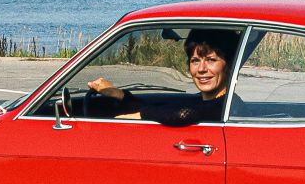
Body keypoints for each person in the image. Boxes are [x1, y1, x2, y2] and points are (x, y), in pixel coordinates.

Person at [87, 29, 240, 126]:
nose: (201, 69)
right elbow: (161, 110)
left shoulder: (225, 106)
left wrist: (136, 116)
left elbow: (182, 115)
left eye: (211, 60)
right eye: (195, 61)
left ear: (228, 65)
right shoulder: (204, 101)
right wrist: (118, 94)